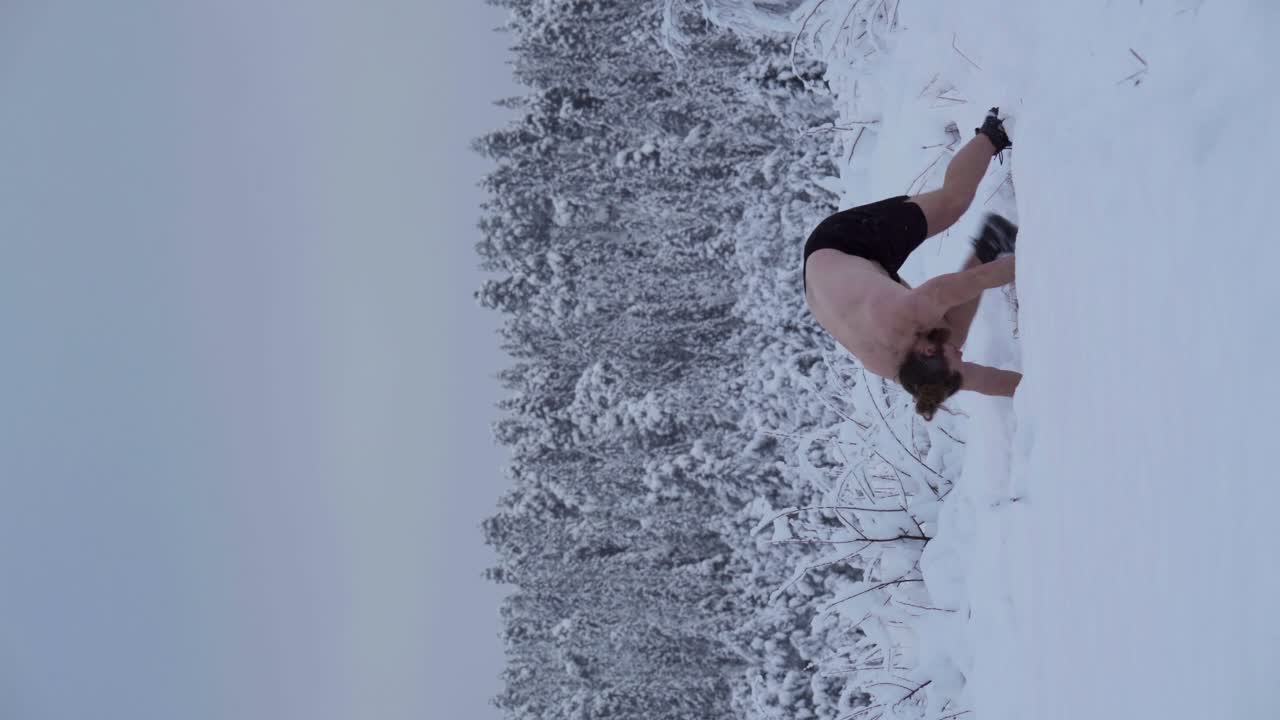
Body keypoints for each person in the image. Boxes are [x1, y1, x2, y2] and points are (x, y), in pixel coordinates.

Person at [803, 107, 1021, 420]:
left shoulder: (910, 311)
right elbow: (980, 379)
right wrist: (1035, 391)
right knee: (950, 335)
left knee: (953, 202)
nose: (961, 356)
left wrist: (1035, 261)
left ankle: (994, 130)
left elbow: (975, 281)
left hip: (841, 244)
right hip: (842, 288)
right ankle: (990, 243)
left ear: (927, 350)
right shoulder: (918, 374)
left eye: (956, 358)